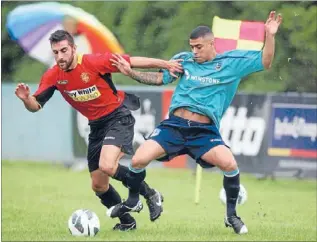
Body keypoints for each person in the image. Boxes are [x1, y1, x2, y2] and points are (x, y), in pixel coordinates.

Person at [107, 11, 282, 234]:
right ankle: (133, 200)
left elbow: (266, 61)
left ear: (212, 44)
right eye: (192, 46)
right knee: (139, 158)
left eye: (199, 47)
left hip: (204, 131)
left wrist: (270, 35)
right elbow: (161, 78)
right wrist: (131, 72)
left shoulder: (232, 63)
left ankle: (231, 216)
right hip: (174, 126)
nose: (194, 51)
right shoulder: (185, 60)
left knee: (230, 165)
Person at [14, 30, 183, 231]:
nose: (60, 56)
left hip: (118, 117)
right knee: (99, 185)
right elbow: (36, 106)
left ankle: (150, 194)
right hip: (96, 126)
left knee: (107, 165)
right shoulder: (53, 76)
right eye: (56, 52)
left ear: (74, 49)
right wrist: (26, 99)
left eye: (64, 50)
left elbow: (132, 60)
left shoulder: (94, 62)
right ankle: (127, 222)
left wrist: (165, 64)